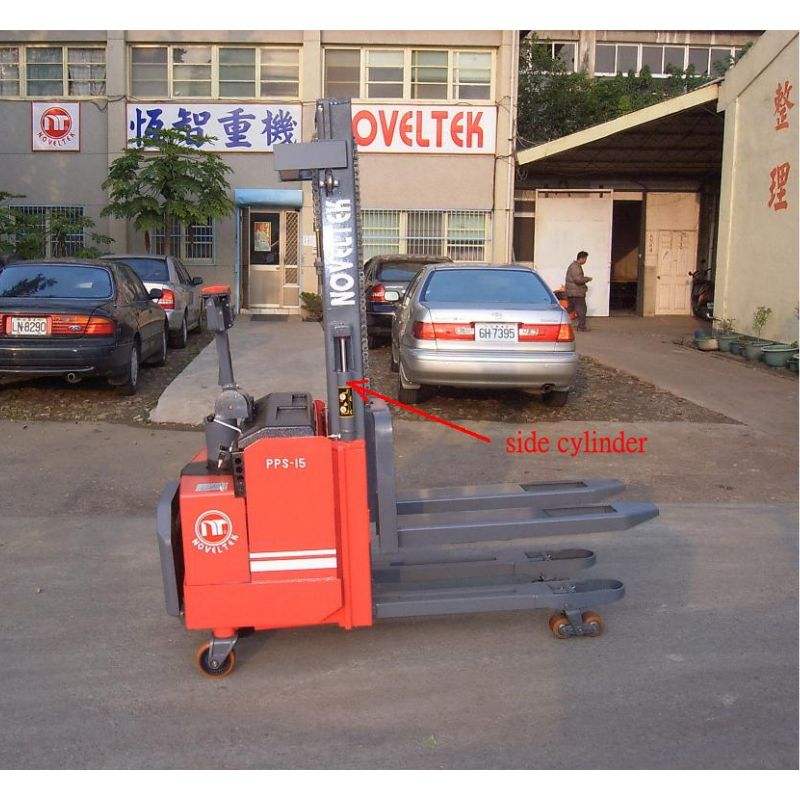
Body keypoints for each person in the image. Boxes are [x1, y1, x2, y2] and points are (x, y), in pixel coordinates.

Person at [565, 250, 593, 332]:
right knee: (582, 310)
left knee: (570, 309)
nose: (585, 261)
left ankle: (558, 320)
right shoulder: (575, 267)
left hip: (573, 292)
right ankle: (581, 327)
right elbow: (578, 280)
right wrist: (587, 279)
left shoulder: (574, 266)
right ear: (581, 258)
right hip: (576, 293)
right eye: (585, 259)